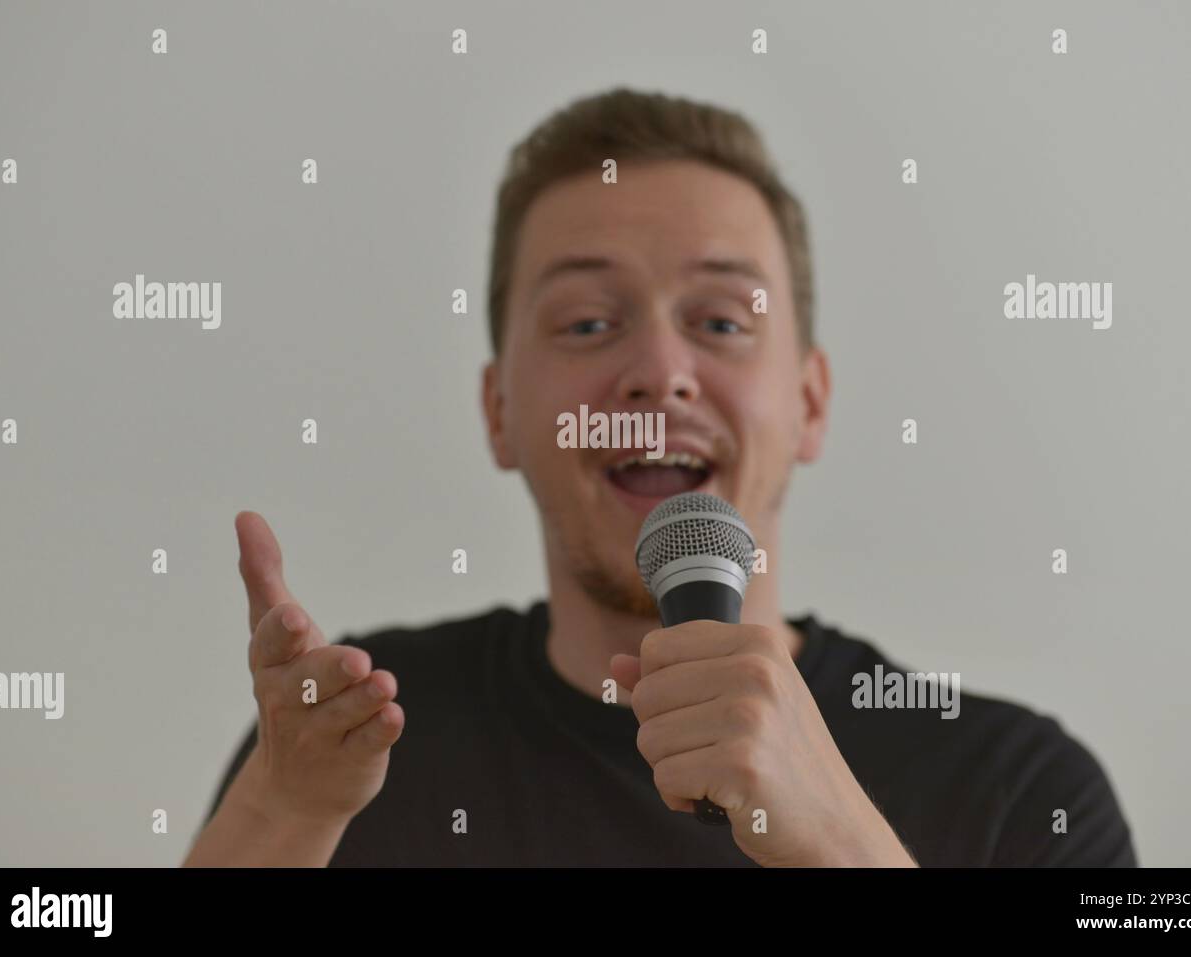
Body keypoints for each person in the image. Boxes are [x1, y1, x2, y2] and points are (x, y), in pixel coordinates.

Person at [183, 87, 1137, 867]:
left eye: (721, 321)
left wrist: (844, 852)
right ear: (498, 411)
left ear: (808, 402)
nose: (659, 370)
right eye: (589, 323)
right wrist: (278, 815)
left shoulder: (1023, 790)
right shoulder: (350, 745)